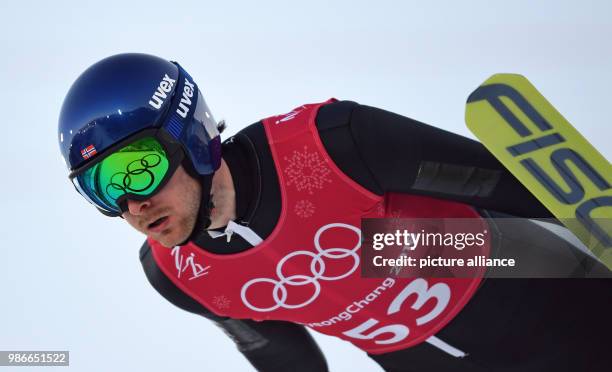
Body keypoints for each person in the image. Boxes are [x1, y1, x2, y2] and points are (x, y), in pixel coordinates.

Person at [58, 53, 609, 372]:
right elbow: (283, 357)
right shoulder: (178, 275)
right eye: (101, 189)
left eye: (139, 168)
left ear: (190, 137)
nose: (132, 204)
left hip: (551, 309)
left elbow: (506, 186)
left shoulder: (326, 146)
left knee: (394, 247)